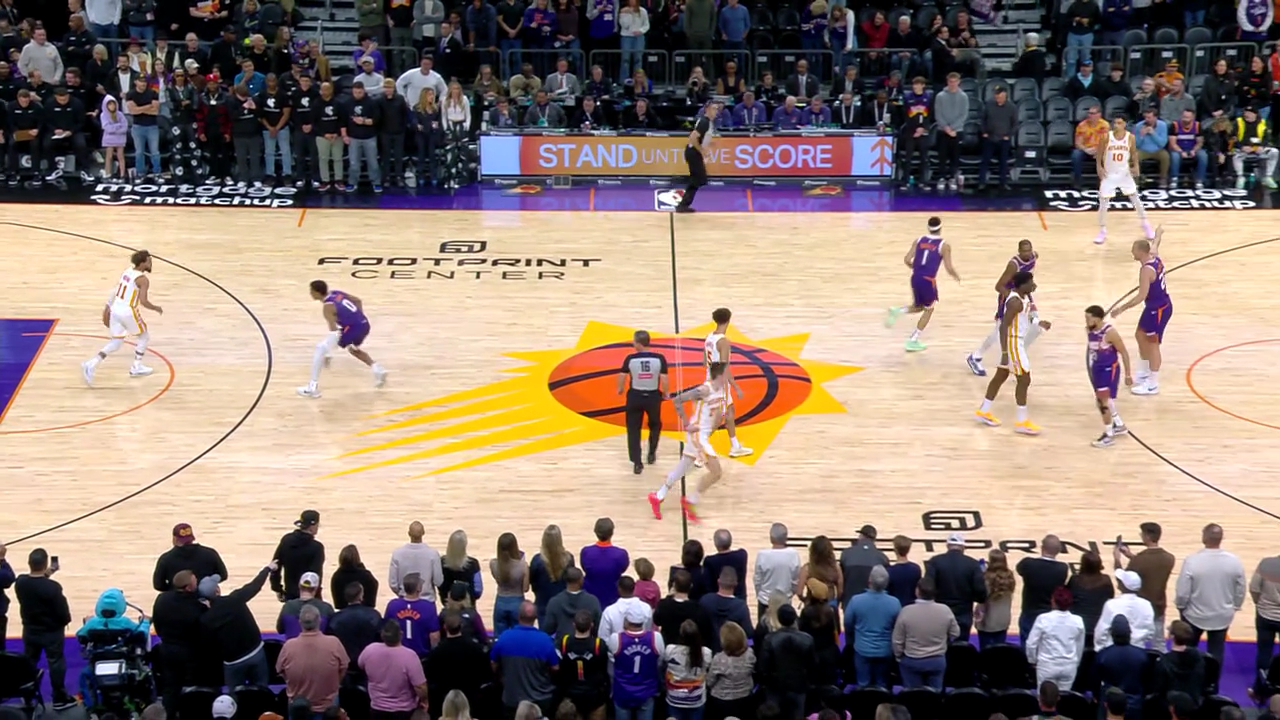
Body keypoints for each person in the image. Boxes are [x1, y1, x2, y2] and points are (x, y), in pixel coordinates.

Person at [649, 362, 730, 524]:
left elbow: (715, 415)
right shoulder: (704, 390)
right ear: (720, 375)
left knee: (684, 468)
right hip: (697, 435)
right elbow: (677, 400)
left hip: (703, 436)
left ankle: (658, 496)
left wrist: (714, 428)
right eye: (727, 373)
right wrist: (687, 424)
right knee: (716, 472)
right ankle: (691, 501)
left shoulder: (721, 390)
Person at [82, 249, 162, 387]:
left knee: (116, 342)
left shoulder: (127, 272)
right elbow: (143, 301)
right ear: (142, 263)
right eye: (149, 261)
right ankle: (136, 367)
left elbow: (115, 291)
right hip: (127, 311)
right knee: (144, 337)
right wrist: (156, 308)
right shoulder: (143, 280)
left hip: (115, 309)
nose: (151, 264)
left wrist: (107, 307)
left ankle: (91, 364)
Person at [975, 271, 1042, 434]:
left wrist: (1039, 324)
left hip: (1016, 341)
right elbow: (1004, 326)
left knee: (1001, 376)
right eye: (1030, 282)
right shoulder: (1015, 302)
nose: (1033, 285)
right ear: (1022, 285)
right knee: (1024, 379)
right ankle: (1022, 422)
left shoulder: (1023, 298)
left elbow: (1025, 318)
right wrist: (1005, 352)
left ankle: (984, 410)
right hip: (1013, 342)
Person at [297, 280, 388, 398]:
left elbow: (334, 332)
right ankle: (378, 369)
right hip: (364, 324)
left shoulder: (327, 307)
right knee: (352, 349)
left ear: (317, 293)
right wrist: (358, 316)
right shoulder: (336, 293)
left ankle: (312, 388)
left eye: (311, 291)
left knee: (320, 349)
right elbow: (357, 300)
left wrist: (327, 350)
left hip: (353, 329)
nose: (310, 293)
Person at [1108, 226, 1171, 395]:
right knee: (1140, 335)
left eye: (1133, 250)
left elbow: (1141, 296)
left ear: (1142, 252)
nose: (1132, 252)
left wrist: (1121, 309)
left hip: (1158, 309)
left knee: (1153, 345)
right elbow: (1156, 243)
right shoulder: (1154, 255)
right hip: (1155, 307)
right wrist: (1158, 233)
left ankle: (1153, 384)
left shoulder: (1146, 271)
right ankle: (1143, 373)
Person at [885, 217, 960, 353]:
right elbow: (949, 268)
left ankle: (898, 311)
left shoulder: (919, 240)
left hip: (915, 277)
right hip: (928, 281)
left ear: (928, 228)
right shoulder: (944, 245)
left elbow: (907, 259)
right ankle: (913, 340)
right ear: (940, 228)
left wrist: (917, 269)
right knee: (929, 309)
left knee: (918, 307)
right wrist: (956, 276)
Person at [1174, 523, 1246, 662]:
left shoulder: (1192, 561)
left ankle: (1189, 675)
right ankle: (1213, 677)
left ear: (1204, 538)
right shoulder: (1234, 561)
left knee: (1188, 652)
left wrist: (1181, 606)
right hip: (1222, 615)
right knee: (1216, 652)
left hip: (1194, 615)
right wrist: (1234, 607)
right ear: (1221, 538)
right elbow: (1241, 588)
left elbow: (1183, 592)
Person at [967, 240, 1039, 377]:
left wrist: (1030, 285)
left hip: (1023, 294)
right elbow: (999, 286)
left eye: (1029, 250)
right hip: (1009, 297)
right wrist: (1013, 297)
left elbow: (1028, 274)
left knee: (1033, 325)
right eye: (1024, 251)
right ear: (1019, 251)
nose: (1027, 253)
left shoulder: (1034, 257)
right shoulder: (1013, 265)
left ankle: (1017, 356)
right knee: (1000, 330)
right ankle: (976, 357)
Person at [199, 561, 277, 688]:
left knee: (234, 695)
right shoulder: (235, 599)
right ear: (217, 590)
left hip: (232, 662)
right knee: (261, 690)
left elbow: (209, 646)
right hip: (255, 653)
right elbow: (254, 586)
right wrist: (267, 569)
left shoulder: (206, 619)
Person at [15, 549, 72, 704]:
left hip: (30, 630)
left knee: (30, 662)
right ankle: (59, 696)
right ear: (45, 563)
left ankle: (27, 695)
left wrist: (47, 573)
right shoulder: (53, 587)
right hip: (51, 632)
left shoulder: (20, 583)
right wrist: (65, 621)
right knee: (56, 662)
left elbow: (35, 583)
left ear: (29, 563)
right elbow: (62, 612)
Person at [492, 601, 560, 718]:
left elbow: (493, 664)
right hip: (540, 699)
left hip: (512, 700)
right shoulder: (545, 640)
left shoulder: (504, 637)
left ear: (518, 616)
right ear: (536, 618)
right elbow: (555, 668)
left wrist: (503, 678)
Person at [1114, 522, 1176, 651]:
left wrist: (1117, 560)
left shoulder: (1139, 560)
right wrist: (1131, 556)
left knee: (1137, 642)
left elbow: (1124, 582)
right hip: (1158, 606)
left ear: (1147, 536)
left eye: (1142, 534)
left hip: (1139, 609)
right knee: (1159, 643)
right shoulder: (1169, 558)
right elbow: (1150, 568)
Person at [276, 605, 348, 715]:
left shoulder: (288, 646)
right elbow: (344, 667)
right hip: (328, 705)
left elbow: (280, 671)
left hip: (298, 706)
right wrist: (335, 684)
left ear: (300, 622)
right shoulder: (334, 643)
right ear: (320, 620)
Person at [1095, 115, 1154, 245]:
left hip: (1124, 173)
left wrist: (1136, 166)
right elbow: (1099, 153)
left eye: (1119, 123)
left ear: (1125, 124)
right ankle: (1102, 230)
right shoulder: (1106, 137)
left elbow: (1133, 153)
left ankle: (1146, 224)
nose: (1116, 125)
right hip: (1109, 174)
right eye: (1115, 123)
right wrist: (1099, 167)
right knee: (1103, 202)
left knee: (1135, 199)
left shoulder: (1130, 137)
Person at [892, 577, 959, 691]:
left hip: (912, 660)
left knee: (912, 695)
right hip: (936, 660)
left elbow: (897, 640)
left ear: (917, 591)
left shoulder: (906, 611)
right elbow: (955, 633)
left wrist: (899, 656)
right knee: (934, 696)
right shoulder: (945, 610)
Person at [617, 330, 669, 474]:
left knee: (633, 429)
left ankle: (637, 462)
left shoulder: (630, 359)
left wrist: (620, 389)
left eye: (634, 342)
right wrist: (666, 393)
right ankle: (651, 453)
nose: (633, 344)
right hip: (653, 396)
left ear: (639, 344)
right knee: (655, 424)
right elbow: (664, 378)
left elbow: (622, 375)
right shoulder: (659, 358)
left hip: (635, 396)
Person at [426, 610, 493, 718]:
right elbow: (486, 675)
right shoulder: (476, 649)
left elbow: (431, 679)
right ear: (461, 626)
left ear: (444, 627)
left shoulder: (436, 652)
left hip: (445, 701)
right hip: (471, 699)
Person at [845, 565, 900, 688]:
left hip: (862, 650)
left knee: (863, 685)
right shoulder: (895, 603)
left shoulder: (856, 601)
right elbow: (898, 627)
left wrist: (852, 639)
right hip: (885, 651)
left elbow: (848, 623)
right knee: (882, 685)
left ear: (869, 581)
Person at [1085, 306, 1133, 447]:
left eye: (1088, 318)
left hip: (1109, 370)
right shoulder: (1089, 330)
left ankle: (1109, 435)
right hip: (1097, 368)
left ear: (1097, 319)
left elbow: (1124, 352)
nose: (1086, 321)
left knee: (1102, 402)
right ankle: (1119, 424)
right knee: (1105, 400)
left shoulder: (1110, 333)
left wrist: (1128, 375)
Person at [924, 532, 986, 640]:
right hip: (963, 612)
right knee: (961, 645)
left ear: (948, 546)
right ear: (963, 547)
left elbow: (927, 586)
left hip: (939, 611)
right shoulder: (972, 564)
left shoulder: (935, 562)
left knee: (940, 643)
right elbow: (980, 590)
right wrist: (979, 602)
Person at [360, 621, 429, 718]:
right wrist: (424, 700)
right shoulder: (410, 656)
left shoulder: (369, 650)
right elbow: (420, 687)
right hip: (404, 711)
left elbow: (361, 665)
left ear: (382, 635)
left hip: (377, 708)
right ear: (401, 634)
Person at [757, 604, 816, 719]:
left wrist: (766, 682)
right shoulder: (807, 639)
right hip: (799, 685)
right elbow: (813, 665)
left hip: (775, 686)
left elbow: (763, 667)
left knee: (773, 717)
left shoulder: (769, 639)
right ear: (794, 619)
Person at [610, 604, 664, 720]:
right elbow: (659, 663)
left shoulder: (616, 639)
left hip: (623, 692)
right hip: (647, 691)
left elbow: (611, 664)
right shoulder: (656, 638)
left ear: (626, 621)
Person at [1025, 587, 1085, 689]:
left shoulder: (1043, 619)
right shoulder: (1078, 621)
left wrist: (1032, 660)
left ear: (1053, 602)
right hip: (1068, 666)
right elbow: (1079, 646)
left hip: (1047, 665)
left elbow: (1031, 644)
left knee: (1045, 696)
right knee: (1064, 697)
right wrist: (1076, 662)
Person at [555, 610, 608, 720]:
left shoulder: (564, 642)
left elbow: (560, 667)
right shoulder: (599, 645)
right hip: (594, 697)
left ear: (574, 625)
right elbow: (604, 668)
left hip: (572, 696)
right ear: (591, 625)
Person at [328, 583, 385, 680]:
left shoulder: (336, 618)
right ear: (361, 596)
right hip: (368, 666)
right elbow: (381, 639)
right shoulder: (373, 615)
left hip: (346, 667)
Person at [674, 100, 720, 213]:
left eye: (717, 109)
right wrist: (701, 150)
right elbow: (693, 137)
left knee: (700, 179)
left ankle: (683, 204)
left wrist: (707, 147)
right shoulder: (704, 122)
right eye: (714, 109)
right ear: (707, 109)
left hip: (694, 152)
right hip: (693, 152)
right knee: (698, 178)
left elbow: (701, 139)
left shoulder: (708, 122)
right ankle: (682, 204)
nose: (716, 111)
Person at [1096, 616, 1146, 719]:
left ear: (1112, 634)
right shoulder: (1142, 656)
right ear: (1130, 633)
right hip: (1134, 706)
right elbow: (1147, 682)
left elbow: (1094, 682)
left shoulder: (1103, 655)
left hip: (1109, 706)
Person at [272, 510, 326, 601]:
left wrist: (277, 588)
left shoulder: (286, 540)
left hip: (290, 594)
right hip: (310, 596)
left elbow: (275, 565)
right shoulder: (317, 547)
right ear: (312, 526)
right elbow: (316, 574)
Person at [1095, 569, 1155, 650]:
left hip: (1114, 649)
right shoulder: (1146, 605)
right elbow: (1150, 632)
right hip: (1138, 649)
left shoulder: (1111, 604)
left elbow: (1102, 630)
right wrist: (1145, 647)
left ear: (1123, 585)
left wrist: (1100, 649)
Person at [664, 620, 712, 720]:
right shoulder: (706, 653)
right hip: (696, 700)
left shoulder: (670, 650)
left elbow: (662, 665)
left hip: (675, 699)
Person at [706, 621, 754, 720]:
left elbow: (709, 682)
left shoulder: (719, 659)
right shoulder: (750, 654)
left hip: (722, 701)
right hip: (745, 698)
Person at [384, 573, 440, 656]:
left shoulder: (393, 605)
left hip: (397, 653)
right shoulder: (428, 606)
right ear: (419, 588)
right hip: (421, 654)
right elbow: (434, 636)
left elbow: (386, 629)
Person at [530, 524, 576, 626]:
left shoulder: (537, 561)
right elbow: (571, 582)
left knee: (545, 633)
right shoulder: (569, 559)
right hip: (564, 605)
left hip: (543, 605)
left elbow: (533, 584)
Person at [580, 518, 629, 609]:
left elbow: (584, 568)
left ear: (595, 532)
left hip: (590, 597)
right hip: (613, 597)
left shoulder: (586, 552)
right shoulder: (621, 554)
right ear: (612, 533)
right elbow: (623, 569)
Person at [700, 568, 752, 652]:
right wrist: (749, 647)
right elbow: (749, 634)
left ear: (718, 581)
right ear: (736, 584)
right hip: (733, 653)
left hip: (708, 651)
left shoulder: (705, 601)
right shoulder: (740, 606)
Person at [389, 521, 444, 601]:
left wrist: (404, 594)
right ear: (423, 533)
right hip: (427, 601)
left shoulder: (397, 554)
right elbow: (438, 581)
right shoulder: (433, 554)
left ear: (409, 533)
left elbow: (393, 583)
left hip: (404, 600)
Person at [491, 532, 531, 638]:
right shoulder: (523, 566)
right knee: (519, 637)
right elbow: (526, 588)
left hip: (500, 602)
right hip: (517, 603)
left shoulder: (493, 564)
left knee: (500, 638)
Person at [1155, 620, 1205, 705]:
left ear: (1171, 636)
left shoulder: (1163, 661)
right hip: (1193, 702)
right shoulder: (1199, 658)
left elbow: (1158, 687)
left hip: (1169, 704)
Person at [543, 567, 601, 639]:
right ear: (581, 580)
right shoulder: (592, 601)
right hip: (587, 643)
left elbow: (548, 628)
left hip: (562, 643)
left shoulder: (554, 602)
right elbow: (598, 627)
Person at [975, 549, 1015, 649]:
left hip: (987, 620)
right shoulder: (1010, 577)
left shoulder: (987, 579)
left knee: (985, 651)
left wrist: (981, 575)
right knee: (999, 650)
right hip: (1003, 619)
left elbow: (981, 597)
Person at [277, 572, 336, 638]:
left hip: (292, 644)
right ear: (316, 589)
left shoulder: (288, 606)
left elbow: (280, 630)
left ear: (299, 586)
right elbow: (333, 631)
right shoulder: (326, 608)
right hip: (319, 644)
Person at [1232, 105, 1278, 189]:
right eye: (1245, 112)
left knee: (1274, 152)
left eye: (1249, 113)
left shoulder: (1263, 122)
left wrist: (1262, 147)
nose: (1246, 114)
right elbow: (1232, 137)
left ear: (1255, 114)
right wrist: (1241, 147)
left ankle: (1267, 176)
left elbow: (1267, 138)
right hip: (1243, 149)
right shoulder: (1238, 122)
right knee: (1236, 155)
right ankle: (1240, 177)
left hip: (1258, 148)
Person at [600, 575, 652, 643]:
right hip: (642, 647)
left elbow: (603, 638)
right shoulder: (646, 608)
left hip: (615, 648)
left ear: (619, 589)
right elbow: (648, 632)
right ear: (635, 588)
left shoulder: (609, 611)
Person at [332, 544, 380, 610]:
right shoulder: (366, 575)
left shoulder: (337, 577)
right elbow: (372, 601)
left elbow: (338, 605)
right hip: (365, 611)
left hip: (345, 612)